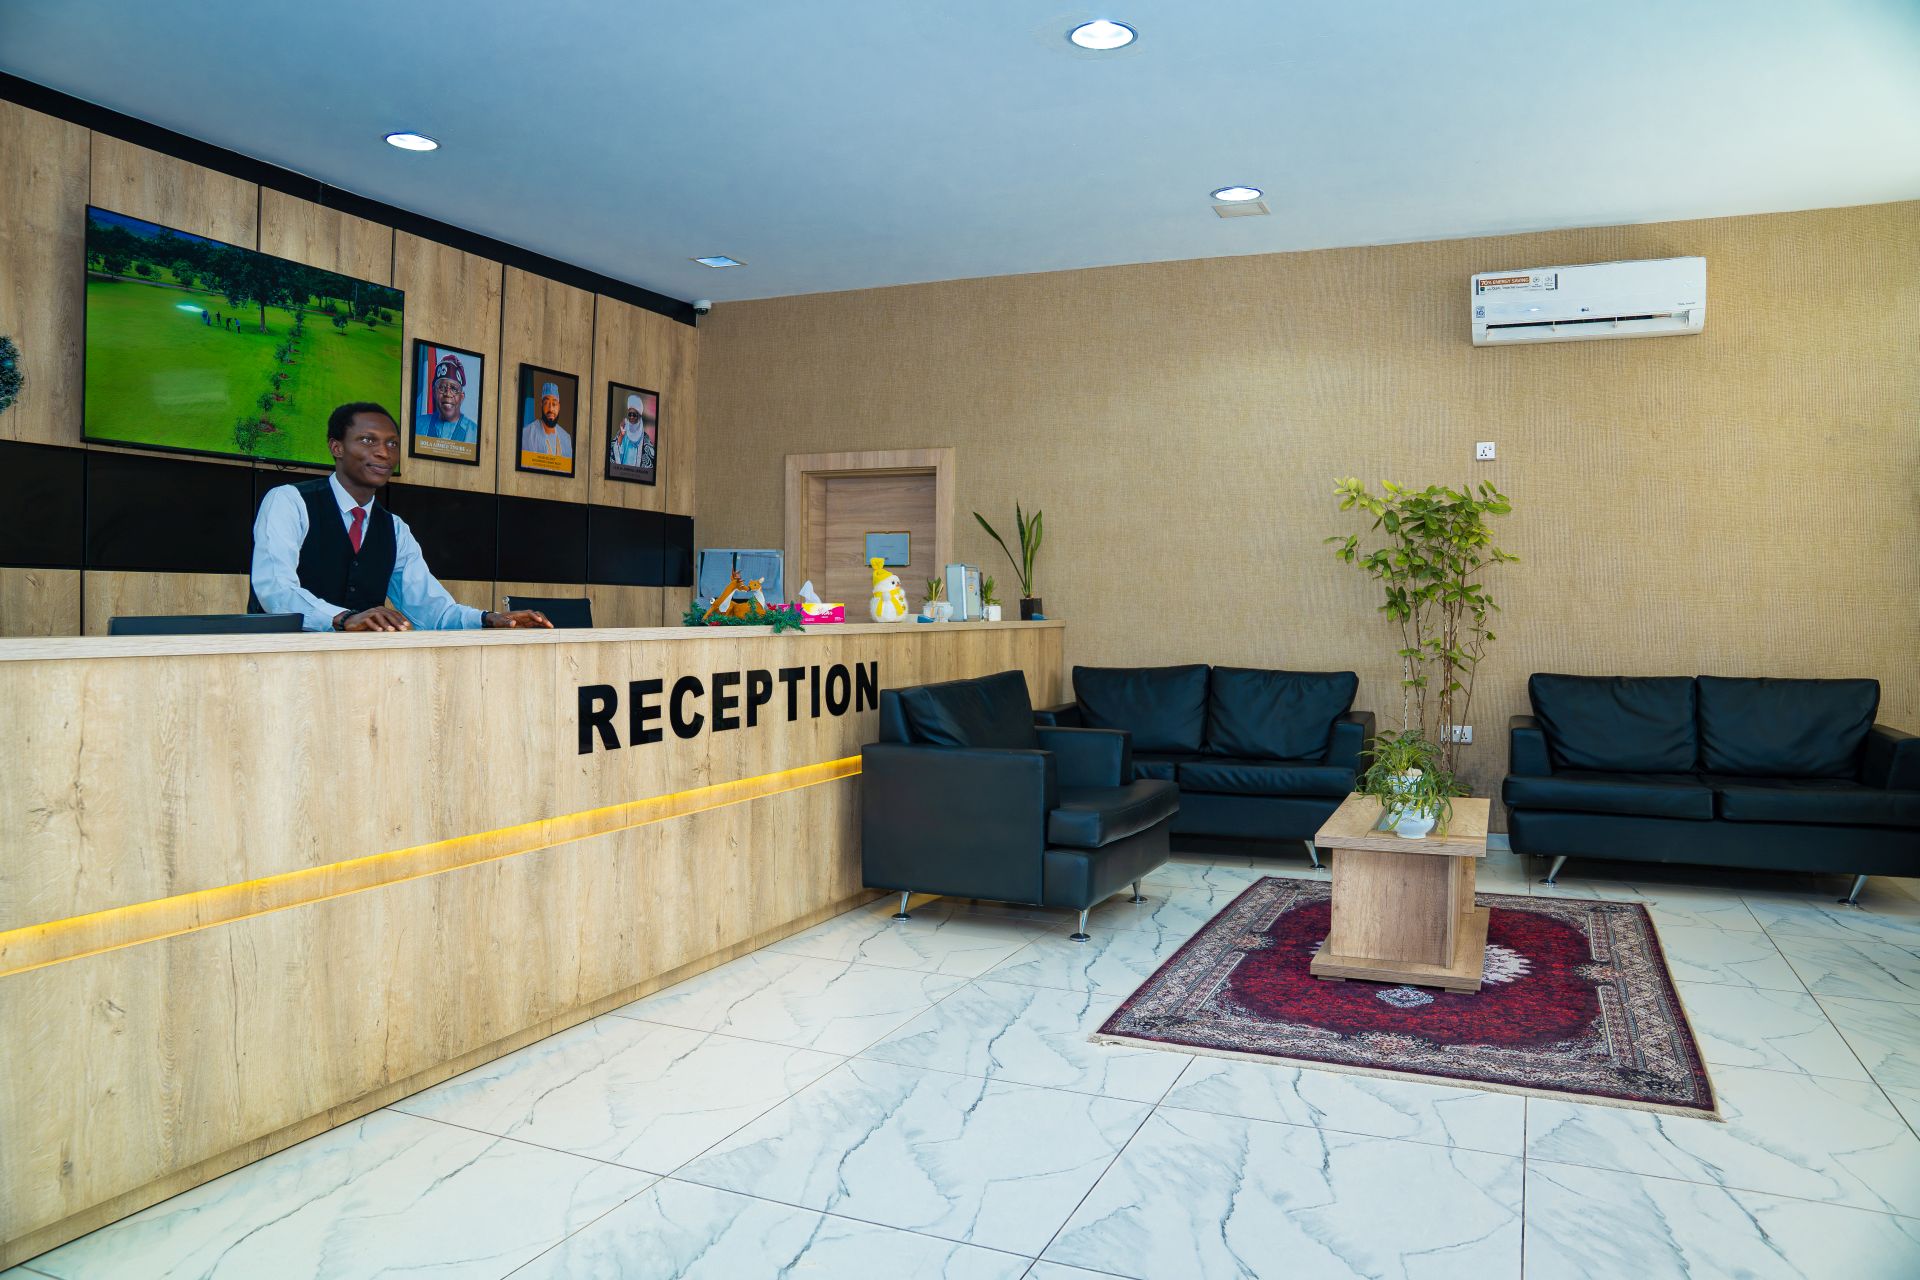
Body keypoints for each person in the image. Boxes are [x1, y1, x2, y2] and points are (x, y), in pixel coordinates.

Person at [251, 402, 553, 633]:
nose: (384, 452)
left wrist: (489, 619)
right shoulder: (289, 502)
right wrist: (342, 618)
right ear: (336, 447)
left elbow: (432, 610)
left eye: (392, 443)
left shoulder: (394, 528)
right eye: (368, 440)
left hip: (356, 671)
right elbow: (276, 589)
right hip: (278, 664)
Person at [417, 353, 479, 443]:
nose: (448, 394)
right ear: (434, 392)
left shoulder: (475, 433)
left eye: (454, 389)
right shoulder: (417, 425)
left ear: (461, 397)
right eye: (442, 388)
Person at [520, 381, 573, 460]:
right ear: (541, 404)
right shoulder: (528, 433)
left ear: (559, 407)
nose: (550, 409)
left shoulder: (566, 438)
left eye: (554, 404)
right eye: (546, 403)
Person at [610, 392, 655, 473]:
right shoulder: (623, 434)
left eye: (634, 414)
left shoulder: (646, 438)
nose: (632, 417)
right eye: (630, 414)